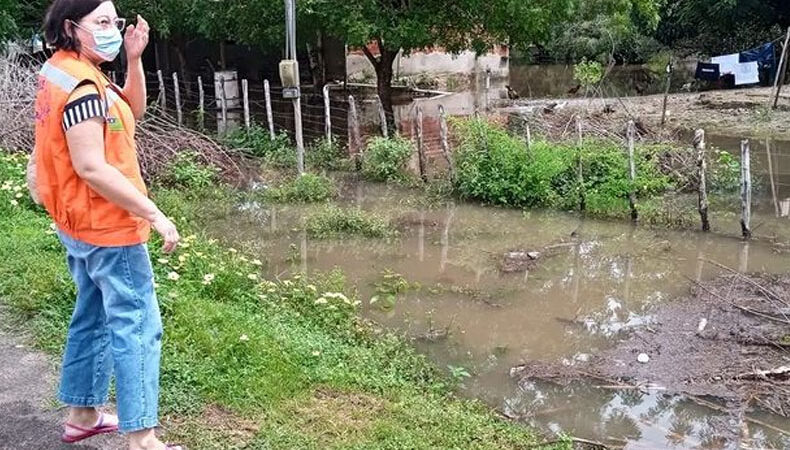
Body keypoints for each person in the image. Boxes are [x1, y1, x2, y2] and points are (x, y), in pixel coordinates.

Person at [30, 1, 182, 448]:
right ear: (70, 27)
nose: (113, 29)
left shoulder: (65, 70)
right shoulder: (81, 86)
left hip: (75, 221)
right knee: (137, 324)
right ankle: (143, 438)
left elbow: (132, 109)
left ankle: (83, 414)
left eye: (115, 21)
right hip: (107, 226)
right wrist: (152, 212)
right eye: (101, 22)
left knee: (92, 314)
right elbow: (92, 167)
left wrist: (134, 59)